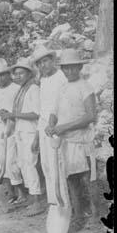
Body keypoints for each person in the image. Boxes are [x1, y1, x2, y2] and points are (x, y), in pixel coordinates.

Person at [45, 48, 99, 229]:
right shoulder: (63, 88)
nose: (69, 71)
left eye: (73, 68)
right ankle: (78, 215)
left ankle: (96, 215)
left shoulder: (85, 87)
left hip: (81, 140)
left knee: (87, 179)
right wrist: (51, 124)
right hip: (66, 142)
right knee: (71, 179)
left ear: (79, 67)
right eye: (66, 68)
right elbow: (54, 111)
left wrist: (65, 127)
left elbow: (91, 116)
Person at [2, 58, 45, 216]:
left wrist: (13, 114)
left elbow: (36, 113)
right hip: (20, 132)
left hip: (30, 132)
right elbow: (18, 113)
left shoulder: (33, 89)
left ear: (29, 73)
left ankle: (38, 201)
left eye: (21, 73)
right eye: (16, 73)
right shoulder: (22, 90)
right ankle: (31, 198)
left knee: (30, 165)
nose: (18, 76)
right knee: (23, 164)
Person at [32, 45, 68, 210]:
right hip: (44, 127)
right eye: (39, 63)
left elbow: (64, 105)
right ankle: (53, 203)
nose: (42, 66)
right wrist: (38, 136)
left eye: (45, 61)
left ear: (53, 60)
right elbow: (42, 111)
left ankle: (64, 203)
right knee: (46, 165)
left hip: (57, 127)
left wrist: (55, 126)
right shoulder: (43, 80)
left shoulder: (62, 77)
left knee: (58, 166)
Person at [0, 58, 24, 206]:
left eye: (3, 74)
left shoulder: (16, 89)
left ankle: (22, 193)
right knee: (2, 162)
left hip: (14, 128)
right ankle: (10, 193)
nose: (0, 78)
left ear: (9, 74)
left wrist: (10, 117)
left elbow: (19, 110)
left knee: (12, 161)